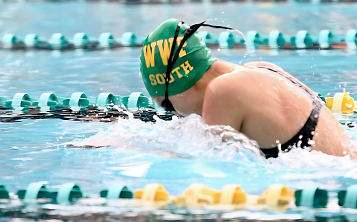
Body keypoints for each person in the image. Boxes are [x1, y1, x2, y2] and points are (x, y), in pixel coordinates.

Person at [139, 18, 354, 158]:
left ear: (180, 83)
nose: (176, 114)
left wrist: (134, 149)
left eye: (167, 105)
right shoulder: (260, 69)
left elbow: (209, 167)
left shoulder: (222, 92)